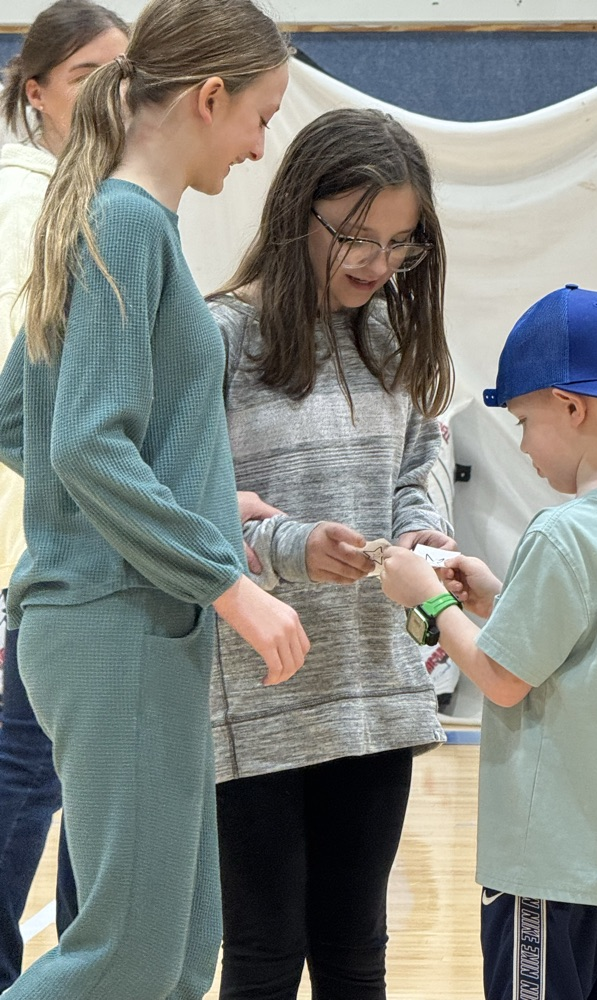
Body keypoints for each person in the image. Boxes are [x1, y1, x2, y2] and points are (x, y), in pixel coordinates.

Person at [0, 0, 310, 996]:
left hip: (136, 616)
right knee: (126, 952)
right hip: (111, 618)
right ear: (209, 98)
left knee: (180, 954)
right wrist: (227, 576)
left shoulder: (124, 221)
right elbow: (88, 447)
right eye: (261, 115)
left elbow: (23, 412)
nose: (263, 146)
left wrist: (204, 498)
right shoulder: (125, 221)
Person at [380, 283, 597, 1000]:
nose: (524, 445)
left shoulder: (564, 533)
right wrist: (499, 595)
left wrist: (430, 598)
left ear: (570, 406)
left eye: (524, 421)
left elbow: (501, 678)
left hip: (551, 871)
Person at [207, 107, 454, 1000]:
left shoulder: (394, 339)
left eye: (399, 243)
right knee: (265, 958)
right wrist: (287, 548)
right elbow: (186, 514)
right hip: (257, 701)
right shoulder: (220, 336)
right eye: (354, 235)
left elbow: (420, 469)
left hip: (375, 694)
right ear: (296, 212)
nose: (376, 262)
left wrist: (425, 534)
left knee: (357, 955)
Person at [0, 4, 129, 987]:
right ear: (33, 87)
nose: (110, 94)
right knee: (41, 786)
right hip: (49, 559)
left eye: (126, 74)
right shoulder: (46, 209)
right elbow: (23, 407)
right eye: (89, 73)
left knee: (65, 787)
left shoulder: (104, 203)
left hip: (67, 557)